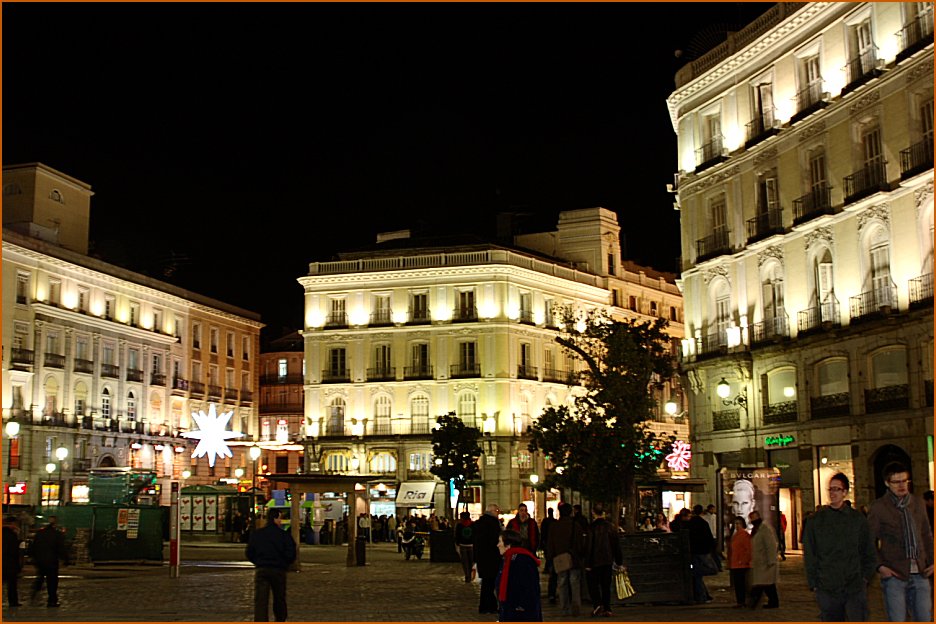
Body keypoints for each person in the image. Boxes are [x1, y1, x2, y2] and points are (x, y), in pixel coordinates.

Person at [803, 472, 876, 621]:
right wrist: (814, 582)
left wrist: (865, 578)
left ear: (844, 492)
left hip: (854, 585)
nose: (833, 493)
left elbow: (868, 550)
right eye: (830, 489)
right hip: (827, 585)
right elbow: (810, 553)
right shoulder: (816, 521)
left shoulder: (857, 520)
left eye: (837, 489)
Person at [867, 462, 934, 622]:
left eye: (905, 481)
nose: (902, 485)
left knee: (924, 617)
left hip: (920, 572)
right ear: (887, 483)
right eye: (896, 482)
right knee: (897, 618)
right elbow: (868, 541)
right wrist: (880, 566)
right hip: (895, 574)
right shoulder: (879, 507)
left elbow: (926, 534)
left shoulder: (918, 503)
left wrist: (932, 560)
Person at [245, 508, 297, 622]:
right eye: (280, 518)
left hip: (262, 569)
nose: (281, 521)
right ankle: (280, 619)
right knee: (279, 598)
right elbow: (291, 552)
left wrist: (258, 562)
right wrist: (285, 563)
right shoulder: (283, 535)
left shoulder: (258, 534)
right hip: (278, 569)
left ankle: (261, 619)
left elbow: (249, 552)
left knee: (261, 600)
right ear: (275, 519)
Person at [546, 502, 587, 617]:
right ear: (570, 512)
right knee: (575, 584)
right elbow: (581, 543)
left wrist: (550, 559)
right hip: (574, 559)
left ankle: (564, 608)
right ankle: (576, 608)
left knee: (562, 583)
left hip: (559, 559)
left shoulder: (554, 526)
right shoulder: (576, 525)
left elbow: (550, 544)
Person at [584, 503, 622, 617]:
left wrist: (588, 563)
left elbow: (589, 546)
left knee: (593, 585)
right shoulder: (610, 527)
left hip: (594, 561)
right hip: (607, 560)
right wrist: (619, 561)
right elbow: (616, 545)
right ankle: (607, 608)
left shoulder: (591, 527)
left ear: (593, 512)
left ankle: (597, 604)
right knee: (606, 585)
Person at [495, 529, 543, 621]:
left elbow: (529, 589)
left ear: (508, 545)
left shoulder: (522, 560)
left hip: (520, 614)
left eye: (500, 542)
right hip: (510, 611)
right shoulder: (508, 559)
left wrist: (520, 607)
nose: (498, 545)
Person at [28, 515, 69, 607]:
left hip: (40, 560)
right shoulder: (57, 535)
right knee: (52, 581)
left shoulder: (39, 534)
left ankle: (34, 592)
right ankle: (52, 600)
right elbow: (61, 548)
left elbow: (33, 546)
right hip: (52, 561)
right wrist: (66, 560)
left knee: (40, 577)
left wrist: (33, 557)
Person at [473, 503, 502, 614]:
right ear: (492, 511)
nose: (498, 513)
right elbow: (495, 541)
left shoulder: (479, 523)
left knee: (486, 583)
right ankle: (490, 606)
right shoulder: (493, 523)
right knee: (491, 583)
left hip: (482, 558)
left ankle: (485, 606)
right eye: (497, 511)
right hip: (492, 558)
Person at [747, 510, 779, 609]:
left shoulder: (765, 529)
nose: (752, 520)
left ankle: (755, 602)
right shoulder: (756, 529)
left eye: (754, 518)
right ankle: (773, 602)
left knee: (762, 583)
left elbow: (771, 545)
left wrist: (771, 560)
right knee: (767, 584)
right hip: (760, 561)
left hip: (765, 561)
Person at [687, 504, 716, 604]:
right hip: (703, 551)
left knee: (696, 574)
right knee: (699, 574)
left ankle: (701, 596)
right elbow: (709, 538)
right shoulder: (703, 523)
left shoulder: (690, 523)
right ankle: (703, 596)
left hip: (694, 551)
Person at [727, 516, 752, 608]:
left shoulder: (744, 535)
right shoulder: (736, 535)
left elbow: (748, 549)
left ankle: (742, 601)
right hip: (735, 563)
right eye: (735, 524)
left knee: (741, 584)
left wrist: (744, 560)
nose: (736, 525)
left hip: (740, 563)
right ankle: (740, 601)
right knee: (738, 584)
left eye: (738, 523)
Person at [3, 515, 23, 608]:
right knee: (11, 584)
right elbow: (13, 550)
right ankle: (13, 602)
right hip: (10, 563)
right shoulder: (11, 535)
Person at [539, 507, 557, 604]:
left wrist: (542, 541)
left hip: (548, 544)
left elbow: (543, 532)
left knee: (553, 573)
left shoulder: (547, 521)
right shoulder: (554, 522)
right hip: (552, 546)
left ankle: (552, 595)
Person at [454, 511, 475, 583]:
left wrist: (457, 543)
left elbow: (456, 535)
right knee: (471, 561)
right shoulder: (473, 524)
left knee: (465, 562)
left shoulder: (459, 525)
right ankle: (470, 573)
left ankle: (467, 575)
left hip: (462, 545)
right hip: (471, 545)